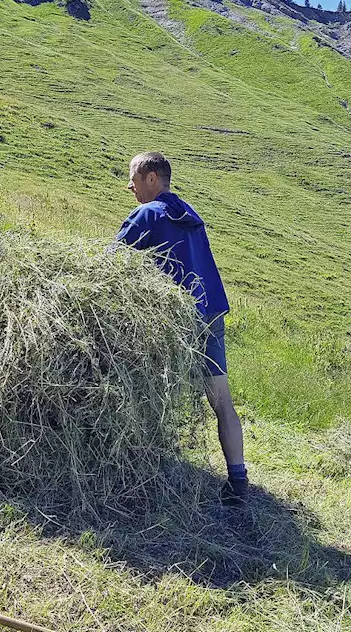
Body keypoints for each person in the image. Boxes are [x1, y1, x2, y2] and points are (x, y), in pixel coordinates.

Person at [114, 152, 249, 506]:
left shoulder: (148, 214)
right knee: (221, 401)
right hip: (211, 314)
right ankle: (238, 480)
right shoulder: (190, 212)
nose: (129, 185)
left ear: (152, 178)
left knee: (145, 390)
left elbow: (109, 260)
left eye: (134, 178)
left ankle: (141, 465)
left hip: (173, 320)